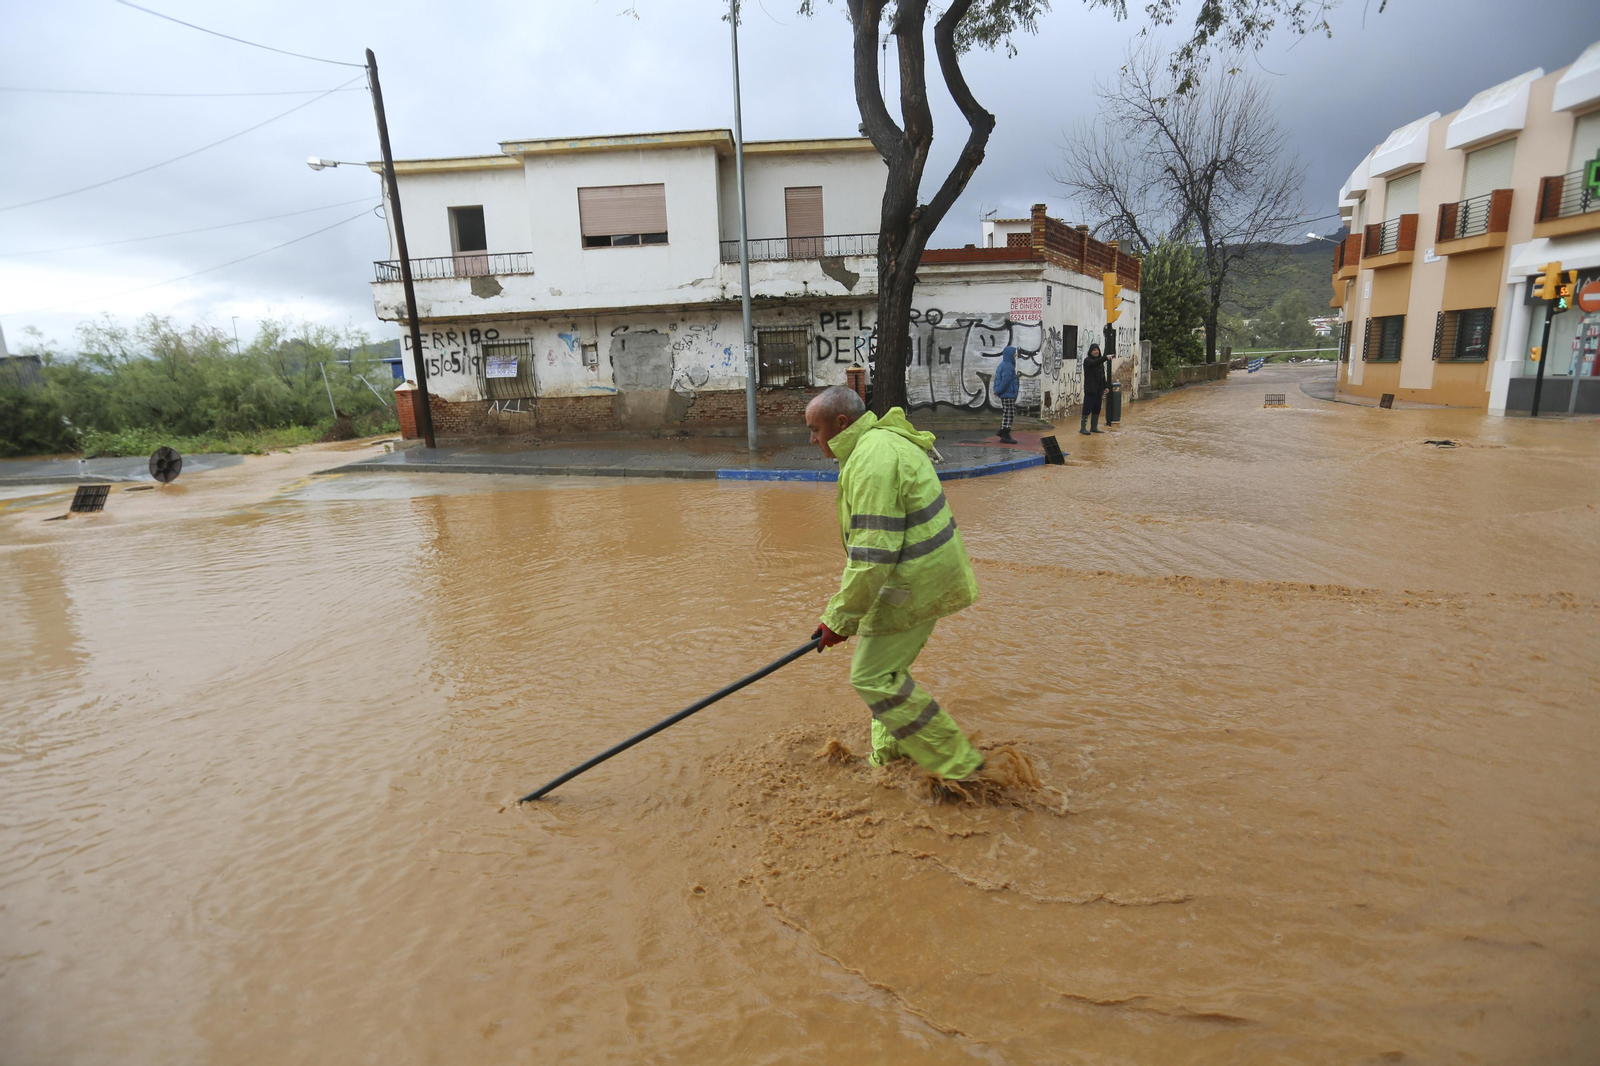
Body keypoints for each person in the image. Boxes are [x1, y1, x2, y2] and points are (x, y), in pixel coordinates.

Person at [803, 385, 986, 782]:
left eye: (815, 430)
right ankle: (890, 754)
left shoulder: (871, 461)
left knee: (871, 675)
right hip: (920, 573)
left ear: (840, 424)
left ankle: (961, 767)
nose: (812, 439)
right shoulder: (875, 444)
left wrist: (838, 619)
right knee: (886, 670)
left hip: (916, 581)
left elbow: (873, 555)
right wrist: (843, 618)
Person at [1080, 342, 1111, 435]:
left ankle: (1094, 427)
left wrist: (1105, 386)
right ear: (1090, 352)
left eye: (1097, 350)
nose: (1096, 351)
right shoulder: (1088, 361)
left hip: (1099, 390)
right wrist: (1105, 357)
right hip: (1090, 390)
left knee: (1097, 409)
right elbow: (1094, 363)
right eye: (1094, 350)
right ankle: (1083, 428)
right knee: (1087, 409)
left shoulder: (1100, 364)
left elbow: (1102, 375)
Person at [992, 345, 1019, 444]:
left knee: (1006, 412)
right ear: (1010, 354)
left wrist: (997, 391)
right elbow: (1005, 381)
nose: (1015, 355)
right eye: (1014, 353)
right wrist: (998, 391)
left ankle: (1002, 430)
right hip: (1008, 394)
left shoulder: (1004, 364)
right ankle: (1005, 434)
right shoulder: (1008, 366)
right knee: (1010, 413)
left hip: (1006, 394)